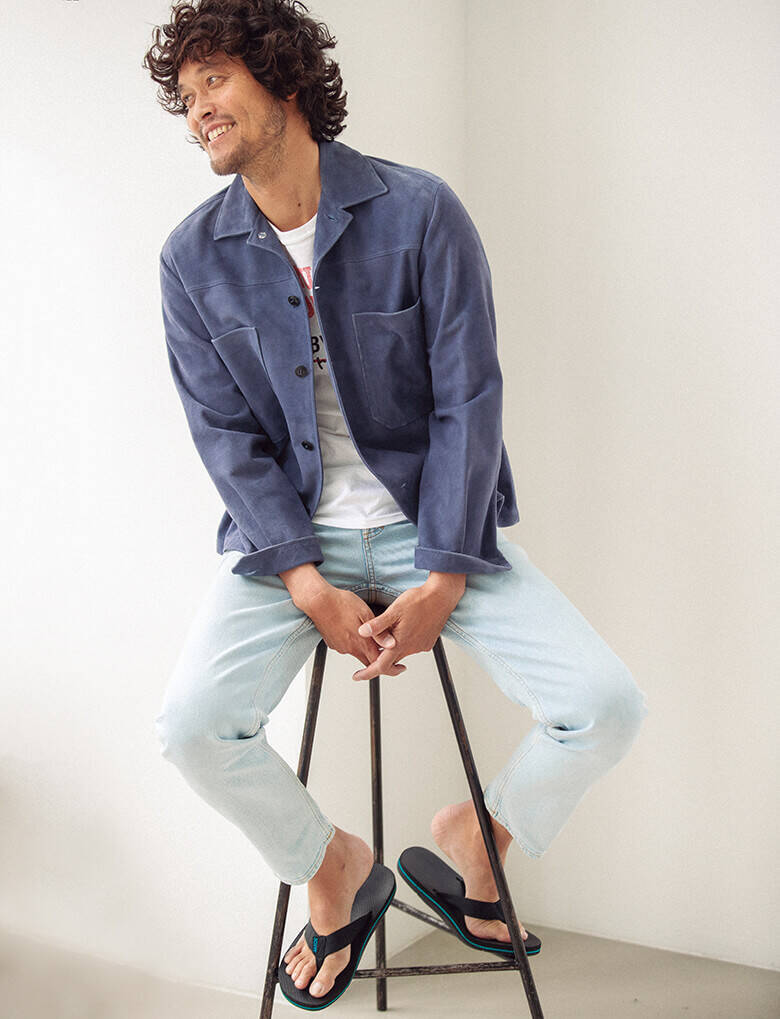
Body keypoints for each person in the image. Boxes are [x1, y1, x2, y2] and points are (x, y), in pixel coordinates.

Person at [144, 0, 649, 1008]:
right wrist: (303, 579)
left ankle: (481, 835)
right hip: (292, 543)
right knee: (193, 727)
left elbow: (469, 397)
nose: (198, 109)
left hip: (434, 524)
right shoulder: (192, 259)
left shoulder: (420, 212)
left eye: (216, 80)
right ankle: (331, 864)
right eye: (186, 93)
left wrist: (447, 572)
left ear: (286, 79)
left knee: (604, 704)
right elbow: (227, 438)